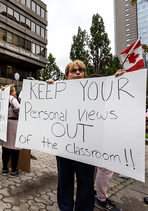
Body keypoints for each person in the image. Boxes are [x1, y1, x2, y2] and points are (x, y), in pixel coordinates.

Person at [47, 61, 126, 211]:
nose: (78, 72)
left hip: (86, 146)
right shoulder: (58, 92)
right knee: (64, 181)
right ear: (66, 75)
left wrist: (118, 82)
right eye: (73, 70)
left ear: (84, 74)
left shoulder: (95, 92)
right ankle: (66, 208)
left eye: (81, 70)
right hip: (64, 146)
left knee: (86, 183)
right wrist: (48, 89)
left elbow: (112, 101)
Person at [88, 73, 123, 211]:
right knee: (105, 168)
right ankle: (101, 198)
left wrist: (120, 79)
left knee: (98, 167)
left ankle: (96, 193)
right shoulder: (100, 99)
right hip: (99, 138)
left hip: (98, 138)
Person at [0, 84, 21, 177]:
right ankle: (14, 171)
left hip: (4, 124)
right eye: (14, 90)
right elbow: (18, 108)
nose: (15, 92)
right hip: (13, 124)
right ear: (10, 91)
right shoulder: (12, 99)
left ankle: (4, 169)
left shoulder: (3, 98)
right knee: (14, 148)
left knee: (5, 148)